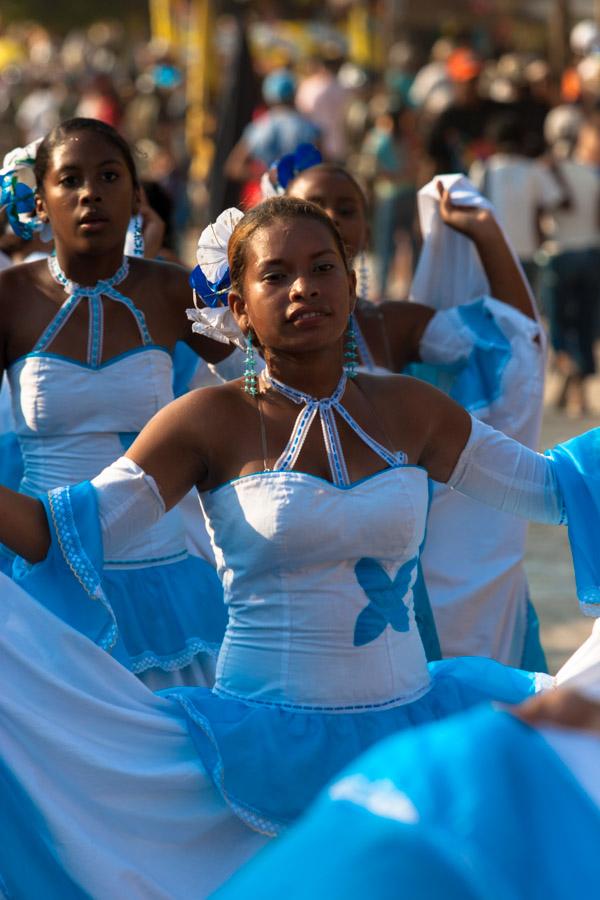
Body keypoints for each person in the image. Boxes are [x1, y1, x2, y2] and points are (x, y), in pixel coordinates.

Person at [0, 195, 594, 896]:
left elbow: (558, 491)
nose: (304, 288)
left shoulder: (413, 408)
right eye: (275, 276)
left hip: (408, 727)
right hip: (257, 757)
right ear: (239, 306)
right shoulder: (205, 420)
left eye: (322, 268)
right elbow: (65, 534)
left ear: (351, 282)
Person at [286, 162, 547, 668]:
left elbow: (514, 344)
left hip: (402, 551)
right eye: (313, 206)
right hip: (307, 561)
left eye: (348, 209)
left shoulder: (387, 325)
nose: (331, 218)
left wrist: (484, 230)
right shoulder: (241, 329)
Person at [0, 117, 231, 689]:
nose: (89, 194)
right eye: (69, 179)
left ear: (135, 194)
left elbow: (256, 376)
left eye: (108, 176)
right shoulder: (9, 297)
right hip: (41, 574)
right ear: (41, 201)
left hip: (163, 574)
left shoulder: (176, 288)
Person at [541, 117, 600, 416]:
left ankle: (569, 381)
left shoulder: (548, 172)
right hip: (590, 252)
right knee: (586, 322)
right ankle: (577, 393)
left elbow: (556, 206)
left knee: (561, 323)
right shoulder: (592, 173)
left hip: (559, 253)